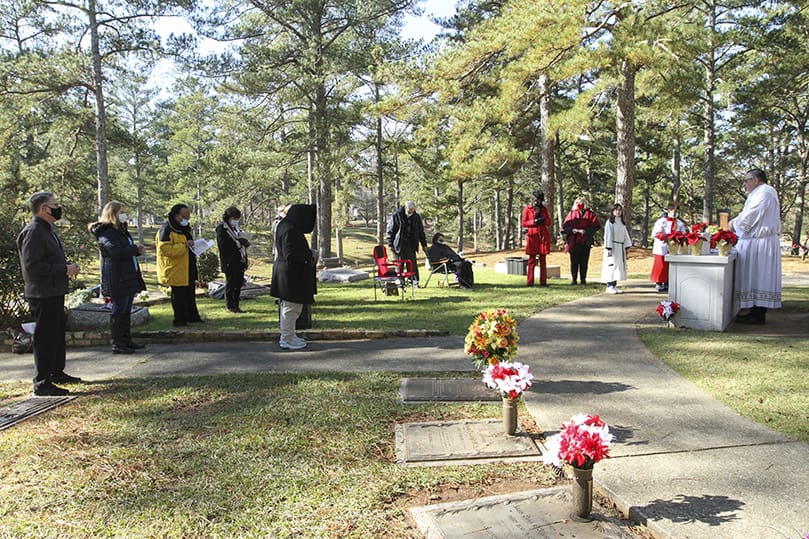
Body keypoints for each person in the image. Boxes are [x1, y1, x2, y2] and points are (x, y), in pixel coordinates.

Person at [17, 192, 82, 396]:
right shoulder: (35, 231)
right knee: (45, 337)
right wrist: (64, 269)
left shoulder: (47, 229)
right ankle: (42, 383)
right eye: (55, 204)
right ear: (44, 208)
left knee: (55, 335)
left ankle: (56, 372)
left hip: (53, 291)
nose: (58, 207)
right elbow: (32, 266)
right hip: (42, 293)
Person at [89, 201, 147, 354]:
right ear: (113, 214)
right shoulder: (106, 232)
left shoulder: (121, 230)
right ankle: (118, 343)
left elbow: (125, 249)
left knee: (126, 310)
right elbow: (115, 252)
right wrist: (134, 249)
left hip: (127, 274)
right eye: (121, 212)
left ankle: (126, 340)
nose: (124, 215)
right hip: (116, 276)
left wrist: (135, 250)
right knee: (118, 311)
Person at [729, 168, 782, 324]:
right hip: (755, 241)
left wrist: (734, 224)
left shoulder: (764, 192)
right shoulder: (757, 193)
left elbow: (750, 216)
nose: (745, 184)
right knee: (753, 276)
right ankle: (753, 310)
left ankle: (758, 314)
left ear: (755, 180)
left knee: (760, 276)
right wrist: (734, 220)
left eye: (746, 181)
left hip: (761, 242)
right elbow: (746, 213)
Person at [271, 204, 317, 350]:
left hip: (289, 273)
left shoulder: (286, 226)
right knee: (291, 308)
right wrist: (310, 255)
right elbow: (291, 253)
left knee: (291, 308)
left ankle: (290, 335)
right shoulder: (290, 229)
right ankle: (286, 338)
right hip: (290, 274)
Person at [156, 203, 202, 327]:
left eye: (188, 216)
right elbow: (164, 250)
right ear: (177, 216)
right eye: (185, 216)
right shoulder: (166, 229)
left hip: (187, 266)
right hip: (175, 268)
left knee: (190, 294)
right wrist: (184, 246)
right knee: (179, 296)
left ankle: (193, 317)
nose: (187, 219)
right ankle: (180, 320)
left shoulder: (185, 228)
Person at [215, 206, 250, 313]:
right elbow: (223, 245)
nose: (236, 221)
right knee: (231, 284)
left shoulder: (235, 228)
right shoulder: (222, 228)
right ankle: (230, 305)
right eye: (234, 218)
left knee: (238, 284)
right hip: (229, 261)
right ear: (229, 217)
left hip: (239, 259)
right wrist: (239, 243)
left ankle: (236, 304)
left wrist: (244, 243)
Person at [386, 201, 428, 283]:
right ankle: (400, 281)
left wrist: (424, 244)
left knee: (412, 264)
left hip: (411, 243)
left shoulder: (416, 217)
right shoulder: (397, 215)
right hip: (399, 243)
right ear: (405, 208)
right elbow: (390, 230)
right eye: (409, 211)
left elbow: (420, 232)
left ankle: (414, 281)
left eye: (412, 210)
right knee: (399, 263)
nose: (410, 212)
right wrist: (390, 243)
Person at [562, 196, 600, 285]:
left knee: (584, 261)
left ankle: (583, 279)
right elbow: (565, 227)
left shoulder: (590, 214)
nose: (580, 204)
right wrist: (572, 230)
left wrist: (586, 231)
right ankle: (574, 279)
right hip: (574, 241)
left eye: (582, 202)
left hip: (585, 241)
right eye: (578, 203)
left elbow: (596, 226)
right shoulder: (571, 214)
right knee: (574, 261)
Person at [650, 203, 686, 292]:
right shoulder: (662, 221)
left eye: (677, 211)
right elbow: (656, 233)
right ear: (669, 211)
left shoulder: (679, 223)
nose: (675, 213)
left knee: (670, 266)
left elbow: (683, 233)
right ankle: (658, 282)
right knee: (661, 264)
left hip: (674, 246)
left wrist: (679, 237)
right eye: (673, 211)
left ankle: (667, 283)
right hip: (662, 245)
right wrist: (666, 237)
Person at [521, 190, 552, 286]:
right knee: (531, 260)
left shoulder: (544, 209)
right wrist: (533, 222)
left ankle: (543, 282)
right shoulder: (528, 209)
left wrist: (543, 221)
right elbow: (524, 223)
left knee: (543, 260)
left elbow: (549, 222)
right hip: (532, 237)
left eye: (537, 200)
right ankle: (530, 282)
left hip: (542, 236)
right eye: (534, 199)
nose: (535, 201)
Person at [600, 203, 632, 294]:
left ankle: (614, 284)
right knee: (611, 266)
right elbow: (608, 235)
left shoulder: (622, 223)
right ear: (613, 211)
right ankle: (609, 285)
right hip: (613, 247)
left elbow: (625, 235)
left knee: (618, 266)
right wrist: (609, 248)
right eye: (616, 210)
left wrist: (627, 246)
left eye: (620, 210)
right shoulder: (610, 222)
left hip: (620, 247)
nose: (618, 212)